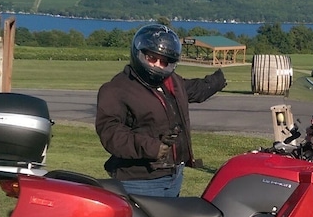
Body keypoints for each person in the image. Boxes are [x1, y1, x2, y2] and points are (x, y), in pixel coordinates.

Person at [95, 24, 227, 197]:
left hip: (173, 174)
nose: (157, 65)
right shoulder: (116, 89)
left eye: (164, 62)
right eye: (152, 58)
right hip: (139, 180)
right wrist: (152, 147)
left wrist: (216, 81)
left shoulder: (172, 83)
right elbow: (110, 133)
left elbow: (194, 89)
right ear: (139, 54)